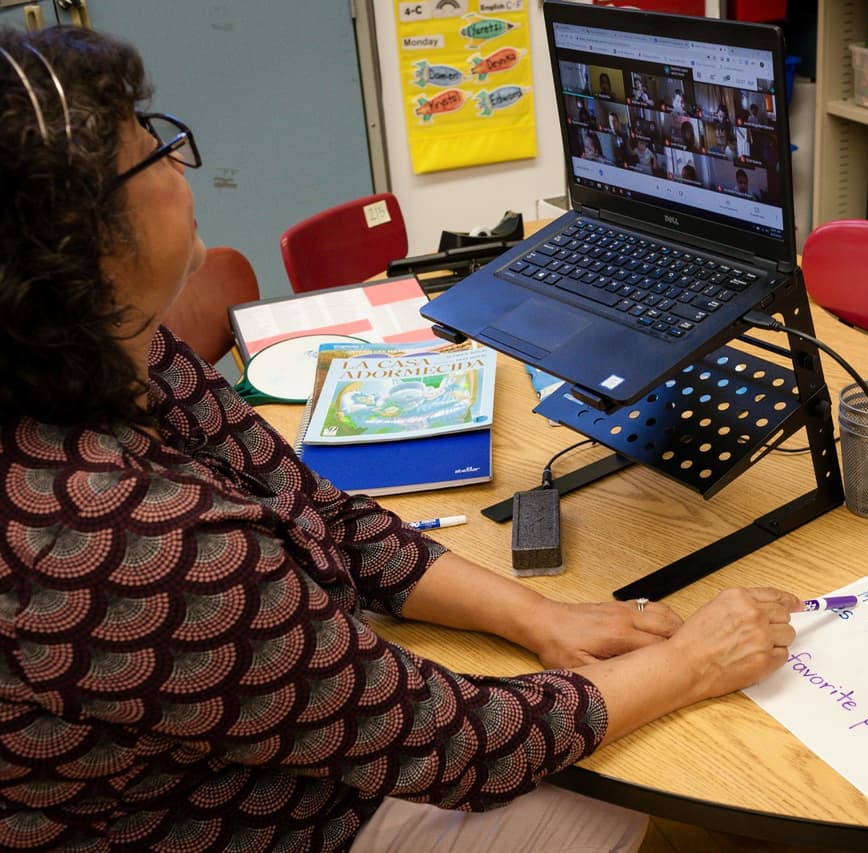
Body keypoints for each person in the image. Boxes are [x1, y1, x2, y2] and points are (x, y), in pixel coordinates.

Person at [0, 25, 803, 852]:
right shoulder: (121, 538)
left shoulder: (122, 353)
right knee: (661, 807)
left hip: (295, 757)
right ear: (76, 238)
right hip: (287, 820)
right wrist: (694, 662)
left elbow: (328, 516)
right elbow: (464, 745)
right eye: (152, 148)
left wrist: (540, 618)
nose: (179, 162)